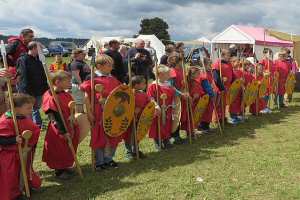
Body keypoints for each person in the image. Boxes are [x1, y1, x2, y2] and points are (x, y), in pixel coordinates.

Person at [81, 54, 122, 171]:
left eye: (111, 65)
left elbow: (119, 93)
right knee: (99, 136)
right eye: (109, 65)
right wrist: (88, 113)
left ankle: (108, 158)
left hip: (112, 112)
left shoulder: (113, 79)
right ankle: (99, 161)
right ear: (99, 66)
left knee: (112, 134)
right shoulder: (92, 78)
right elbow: (86, 97)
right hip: (98, 111)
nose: (112, 67)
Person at [0, 93, 41, 200]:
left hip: (24, 152)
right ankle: (14, 195)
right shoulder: (5, 121)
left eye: (31, 107)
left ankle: (25, 187)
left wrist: (30, 144)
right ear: (16, 108)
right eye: (28, 108)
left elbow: (33, 131)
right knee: (12, 176)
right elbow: (1, 139)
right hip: (10, 156)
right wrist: (13, 140)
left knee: (25, 171)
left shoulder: (23, 117)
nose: (31, 110)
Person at [42, 70, 80, 180]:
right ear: (58, 82)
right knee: (59, 149)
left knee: (68, 147)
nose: (70, 83)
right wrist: (62, 131)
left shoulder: (65, 93)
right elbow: (53, 115)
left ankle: (65, 166)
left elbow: (71, 107)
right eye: (68, 81)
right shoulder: (50, 96)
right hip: (59, 128)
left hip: (69, 124)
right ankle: (59, 170)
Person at [123, 75, 159, 160]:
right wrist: (133, 109)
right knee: (129, 136)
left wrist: (155, 106)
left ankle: (136, 150)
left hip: (140, 119)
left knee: (137, 134)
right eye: (143, 83)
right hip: (130, 119)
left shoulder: (143, 94)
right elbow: (124, 104)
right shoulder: (129, 93)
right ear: (136, 85)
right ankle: (129, 152)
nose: (145, 85)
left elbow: (149, 101)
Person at [16, 41, 49, 127]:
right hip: (29, 89)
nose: (41, 50)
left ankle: (36, 124)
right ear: (34, 48)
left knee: (36, 108)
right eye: (40, 49)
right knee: (29, 108)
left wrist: (45, 87)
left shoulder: (39, 59)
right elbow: (23, 76)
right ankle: (33, 125)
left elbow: (43, 74)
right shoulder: (23, 59)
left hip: (39, 89)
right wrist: (27, 91)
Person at [212, 49, 234, 124]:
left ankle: (223, 117)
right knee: (219, 104)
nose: (229, 56)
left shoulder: (229, 63)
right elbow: (216, 77)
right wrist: (221, 86)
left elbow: (232, 74)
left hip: (227, 87)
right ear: (223, 55)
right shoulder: (217, 63)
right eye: (228, 55)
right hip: (219, 87)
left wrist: (234, 82)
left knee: (224, 103)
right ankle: (217, 119)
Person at [69, 49, 90, 113]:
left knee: (83, 101)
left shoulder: (82, 62)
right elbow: (76, 75)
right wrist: (81, 84)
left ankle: (83, 115)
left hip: (83, 84)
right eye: (83, 54)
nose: (84, 55)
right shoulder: (75, 63)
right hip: (78, 85)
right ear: (78, 54)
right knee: (79, 102)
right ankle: (80, 117)